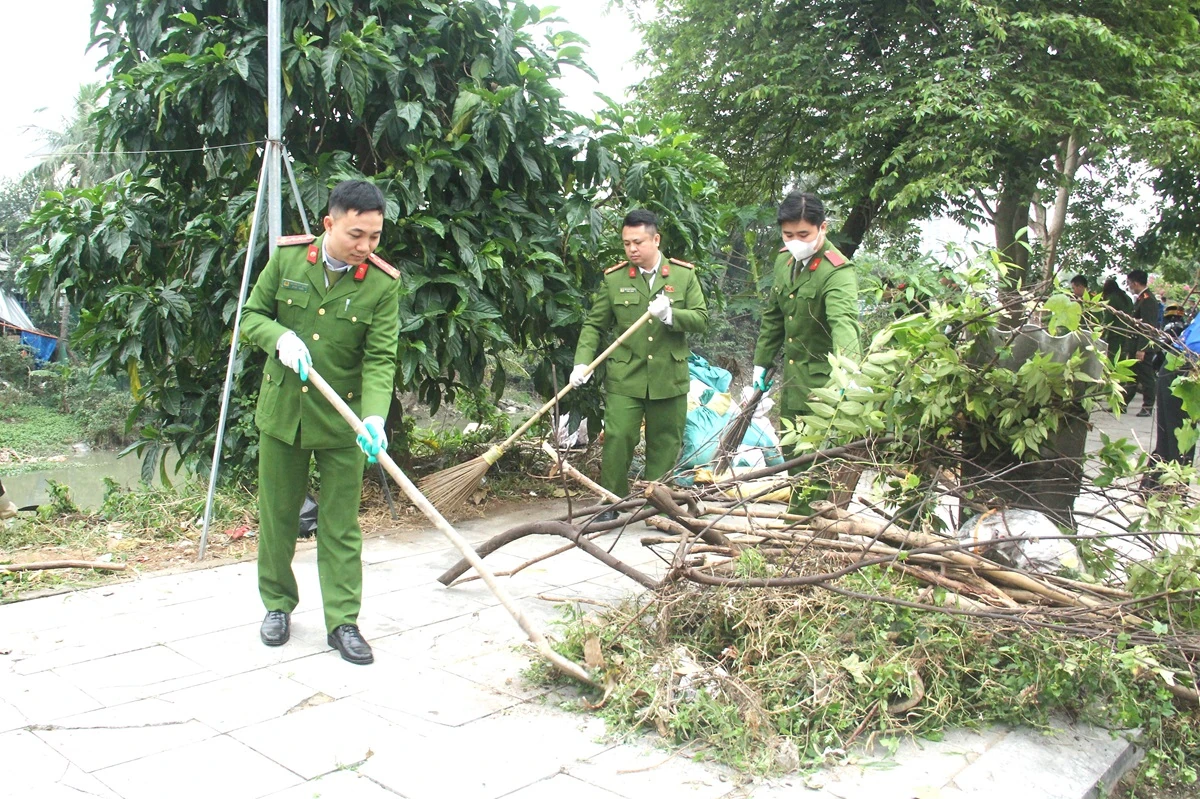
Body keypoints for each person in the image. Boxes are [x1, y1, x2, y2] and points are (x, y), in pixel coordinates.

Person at [240, 180, 400, 665]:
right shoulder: (288, 259)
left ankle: (343, 621)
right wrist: (279, 338)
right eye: (356, 235)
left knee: (340, 524)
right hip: (283, 414)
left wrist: (373, 416)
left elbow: (380, 358)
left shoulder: (382, 284)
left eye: (374, 236)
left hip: (343, 421)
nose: (365, 247)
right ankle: (277, 605)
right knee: (278, 516)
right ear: (329, 224)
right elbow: (251, 316)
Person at [570, 209, 709, 519]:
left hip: (668, 375)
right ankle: (611, 502)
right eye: (626, 243)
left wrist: (671, 315)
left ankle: (656, 506)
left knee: (664, 442)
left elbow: (701, 319)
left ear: (656, 240)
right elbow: (594, 325)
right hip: (626, 375)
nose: (632, 249)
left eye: (638, 242)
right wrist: (582, 363)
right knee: (618, 437)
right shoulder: (615, 278)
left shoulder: (683, 276)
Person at [751, 191, 861, 423]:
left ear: (822, 228)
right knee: (789, 444)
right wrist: (761, 363)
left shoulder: (836, 271)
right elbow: (774, 318)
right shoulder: (784, 260)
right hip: (792, 383)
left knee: (820, 446)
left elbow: (843, 322)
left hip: (825, 389)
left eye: (803, 234)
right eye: (788, 235)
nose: (796, 242)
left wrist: (849, 372)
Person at [1126, 269, 1162, 418]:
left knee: (1146, 377)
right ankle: (1122, 403)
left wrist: (1142, 349)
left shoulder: (1148, 300)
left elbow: (1147, 326)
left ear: (1135, 283)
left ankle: (1148, 406)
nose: (1128, 286)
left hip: (1144, 346)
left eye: (1129, 283)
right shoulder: (1142, 298)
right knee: (1132, 375)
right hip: (1136, 343)